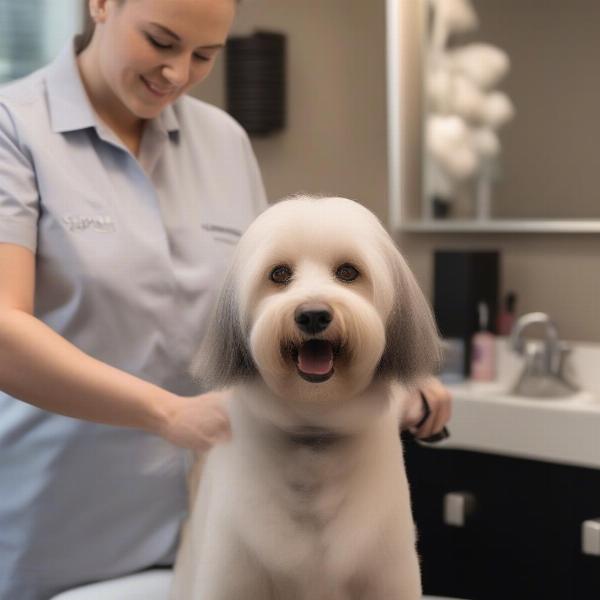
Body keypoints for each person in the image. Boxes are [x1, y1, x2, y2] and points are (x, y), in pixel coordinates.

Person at [0, 1, 451, 598]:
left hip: (215, 520)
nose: (178, 73)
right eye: (161, 42)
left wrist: (384, 375)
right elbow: (5, 329)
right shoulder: (15, 130)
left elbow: (268, 318)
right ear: (102, 4)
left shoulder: (224, 142)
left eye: (205, 55)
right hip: (61, 520)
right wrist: (169, 412)